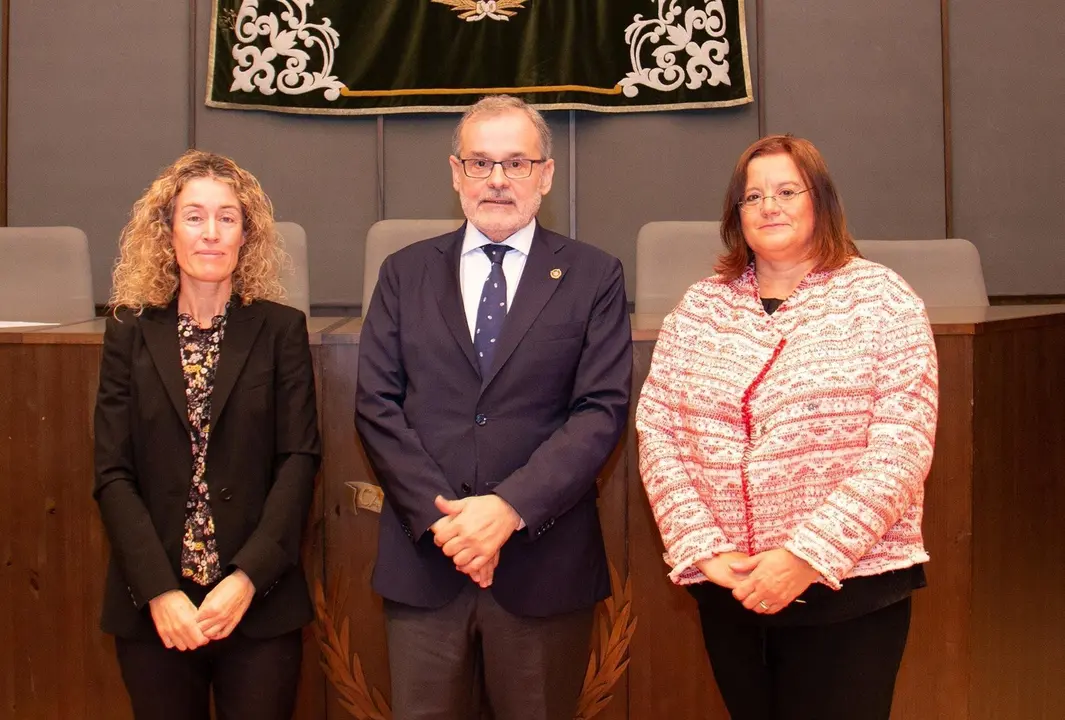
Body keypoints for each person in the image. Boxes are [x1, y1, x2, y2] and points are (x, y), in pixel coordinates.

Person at [636, 135, 939, 720]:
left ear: (820, 202)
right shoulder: (701, 306)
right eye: (753, 196)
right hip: (732, 589)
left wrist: (804, 556)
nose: (769, 206)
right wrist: (704, 549)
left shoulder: (882, 299)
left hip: (849, 589)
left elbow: (902, 449)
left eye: (786, 191)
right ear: (736, 216)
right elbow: (659, 435)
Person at [355, 95, 632, 720]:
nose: (498, 180)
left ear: (546, 174)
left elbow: (599, 413)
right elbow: (376, 406)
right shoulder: (403, 273)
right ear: (456, 173)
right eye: (481, 163)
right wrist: (452, 527)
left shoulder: (594, 276)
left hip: (543, 567)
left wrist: (506, 511)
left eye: (516, 162)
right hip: (427, 561)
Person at [93, 150, 321, 720]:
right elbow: (112, 471)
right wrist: (159, 591)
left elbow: (299, 460)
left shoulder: (280, 329)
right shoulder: (128, 330)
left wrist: (246, 579)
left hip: (257, 604)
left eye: (227, 217)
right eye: (194, 216)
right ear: (166, 229)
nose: (211, 233)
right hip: (155, 607)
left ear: (247, 235)